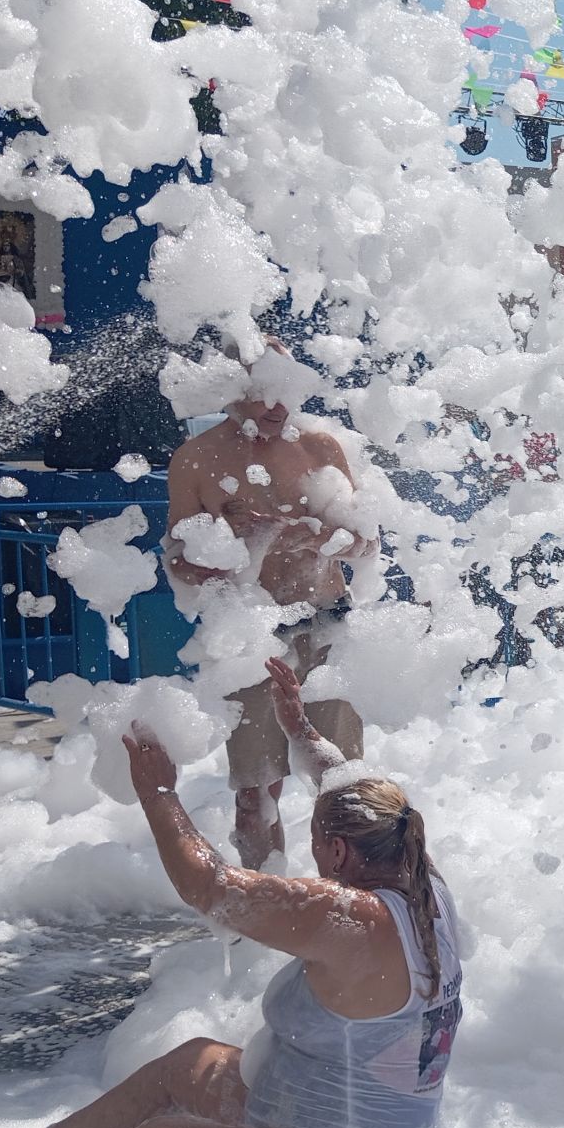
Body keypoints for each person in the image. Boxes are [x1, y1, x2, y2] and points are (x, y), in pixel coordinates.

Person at [0, 659, 462, 1128]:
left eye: (316, 841)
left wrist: (160, 791)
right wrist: (299, 730)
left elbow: (213, 887)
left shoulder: (355, 921)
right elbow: (342, 782)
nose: (314, 856)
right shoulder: (421, 876)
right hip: (319, 1119)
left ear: (338, 851)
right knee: (189, 1061)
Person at [165, 347, 377, 869]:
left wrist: (321, 538)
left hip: (326, 624)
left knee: (342, 784)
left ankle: (347, 912)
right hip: (251, 635)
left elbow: (366, 544)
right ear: (231, 390)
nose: (277, 407)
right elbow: (176, 559)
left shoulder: (318, 447)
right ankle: (265, 913)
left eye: (286, 393)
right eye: (262, 395)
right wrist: (226, 558)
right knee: (255, 791)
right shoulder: (197, 459)